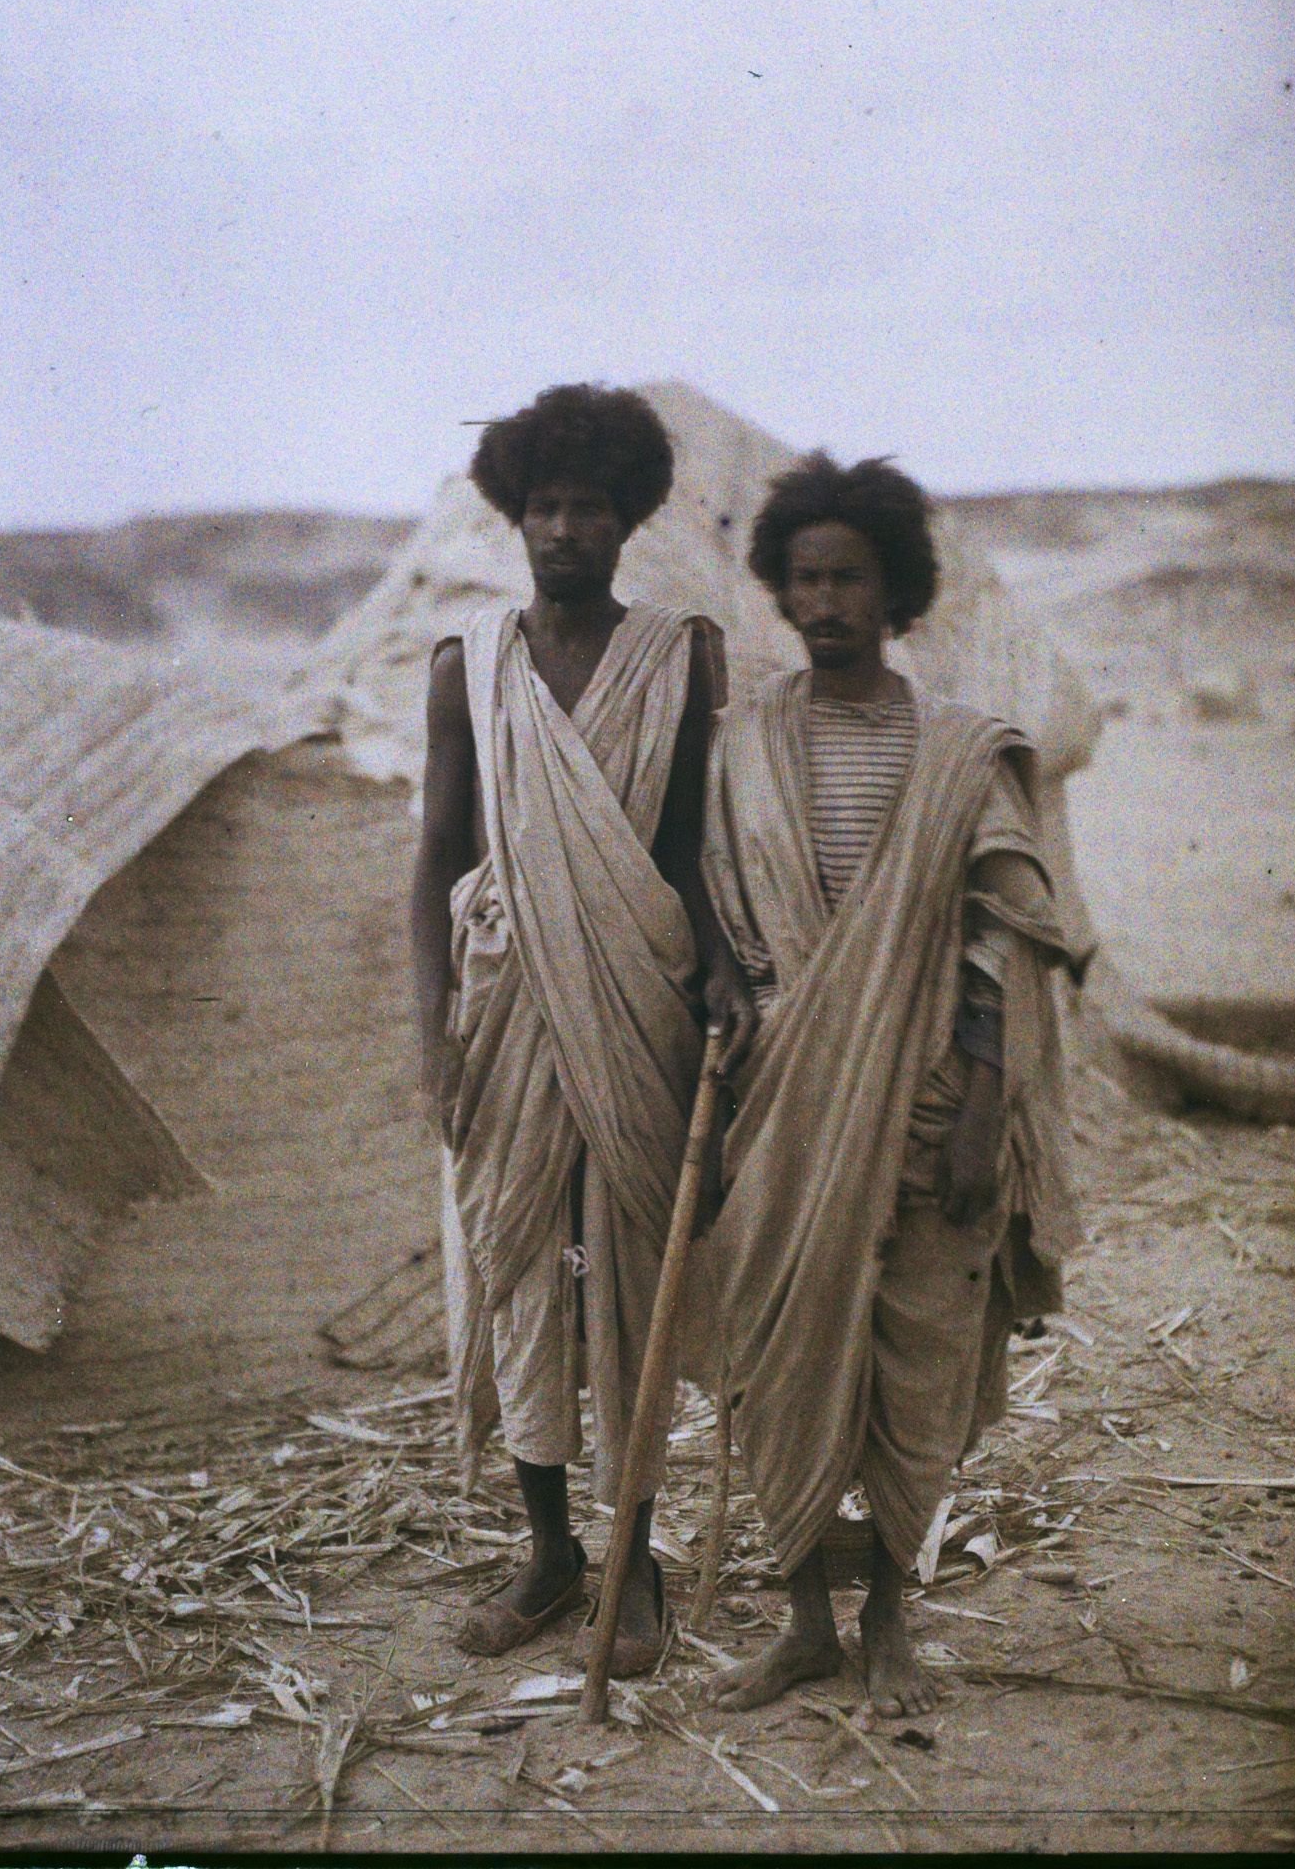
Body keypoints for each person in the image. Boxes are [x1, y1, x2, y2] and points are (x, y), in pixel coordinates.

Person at [699, 452, 1083, 1716]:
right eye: (803, 579)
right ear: (780, 589)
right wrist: (726, 988)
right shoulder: (745, 739)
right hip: (783, 1099)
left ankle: (891, 1622)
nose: (823, 602)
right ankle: (806, 1620)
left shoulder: (958, 750)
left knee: (915, 1363)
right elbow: (717, 907)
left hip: (927, 1101)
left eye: (847, 577)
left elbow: (1004, 938)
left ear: (894, 589)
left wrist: (982, 1110)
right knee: (782, 1351)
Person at [412, 383, 755, 1677]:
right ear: (513, 513)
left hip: (639, 992)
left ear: (627, 519)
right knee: (511, 1263)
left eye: (588, 507)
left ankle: (636, 1558)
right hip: (502, 1006)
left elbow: (689, 845)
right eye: (542, 505)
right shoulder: (468, 663)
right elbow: (436, 855)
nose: (563, 527)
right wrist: (428, 1029)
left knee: (633, 1273)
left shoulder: (682, 657)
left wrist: (718, 965)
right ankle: (549, 1554)